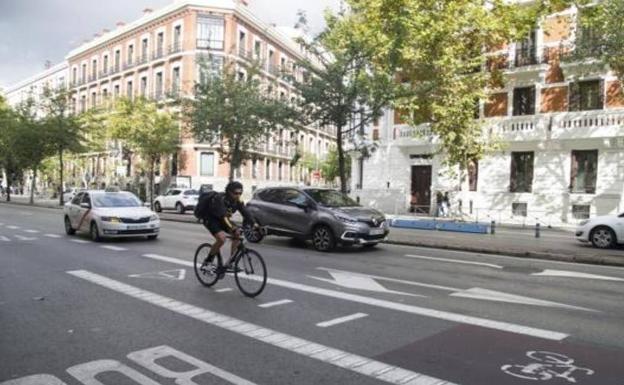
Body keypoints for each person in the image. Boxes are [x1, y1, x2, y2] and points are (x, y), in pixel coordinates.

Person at [201, 181, 257, 273]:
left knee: (237, 235)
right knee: (221, 238)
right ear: (229, 192)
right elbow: (223, 216)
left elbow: (245, 212)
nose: (238, 195)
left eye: (240, 193)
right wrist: (233, 228)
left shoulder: (238, 200)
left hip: (224, 219)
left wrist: (254, 224)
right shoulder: (220, 199)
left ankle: (230, 263)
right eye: (235, 193)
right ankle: (207, 262)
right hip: (211, 219)